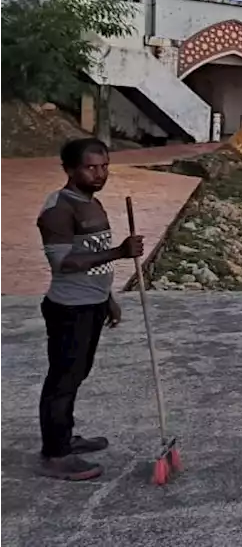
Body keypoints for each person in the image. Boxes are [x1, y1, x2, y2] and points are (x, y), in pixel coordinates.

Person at [36, 138, 145, 481]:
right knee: (63, 381)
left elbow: (91, 260)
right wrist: (119, 253)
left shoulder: (91, 203)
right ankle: (55, 454)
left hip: (92, 304)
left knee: (76, 375)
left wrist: (107, 297)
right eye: (90, 167)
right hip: (70, 309)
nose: (100, 174)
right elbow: (64, 263)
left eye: (104, 166)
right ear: (69, 169)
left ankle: (64, 436)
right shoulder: (58, 209)